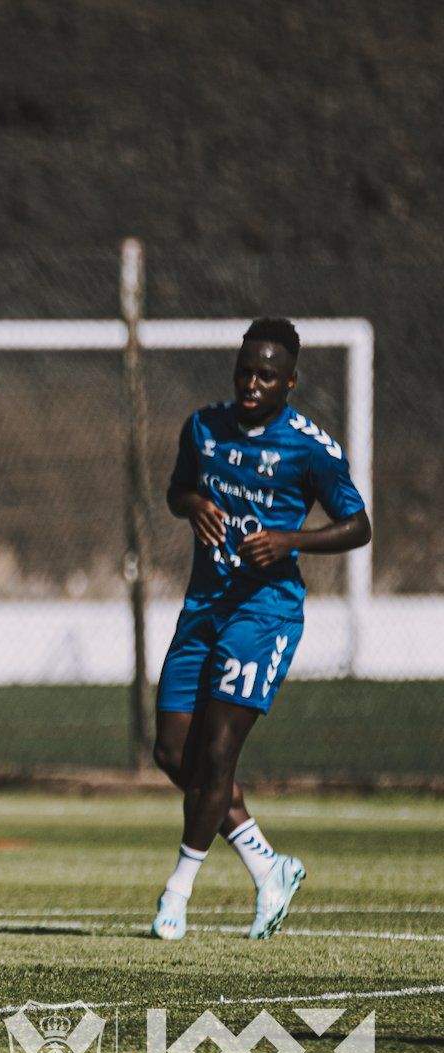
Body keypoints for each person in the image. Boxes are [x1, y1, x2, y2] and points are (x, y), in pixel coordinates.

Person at [150, 318, 371, 941]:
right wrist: (193, 504)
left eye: (266, 375)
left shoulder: (311, 448)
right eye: (245, 371)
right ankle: (268, 865)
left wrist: (289, 541)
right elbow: (176, 490)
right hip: (203, 608)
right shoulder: (204, 426)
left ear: (289, 383)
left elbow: (358, 526)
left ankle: (177, 892)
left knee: (219, 754)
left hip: (264, 614)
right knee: (174, 754)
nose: (252, 383)